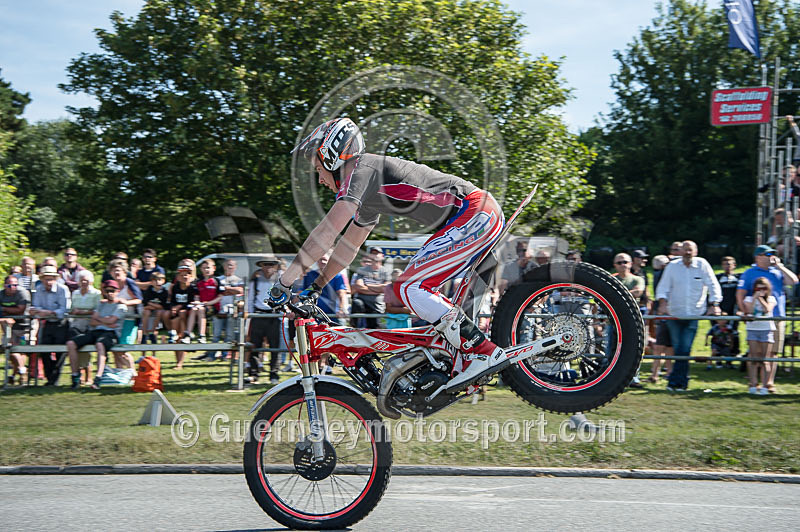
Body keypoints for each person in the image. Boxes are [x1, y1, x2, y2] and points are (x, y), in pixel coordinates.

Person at [269, 117, 506, 392]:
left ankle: (484, 351)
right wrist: (317, 286)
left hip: (473, 213)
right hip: (474, 215)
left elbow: (326, 234)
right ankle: (468, 363)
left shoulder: (360, 169)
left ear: (332, 156)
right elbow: (349, 246)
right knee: (434, 314)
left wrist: (283, 284)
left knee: (408, 287)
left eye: (318, 170)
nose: (320, 180)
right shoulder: (368, 189)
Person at [655, 240, 722, 391]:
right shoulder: (672, 267)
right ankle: (679, 383)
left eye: (690, 250)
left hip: (693, 314)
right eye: (685, 249)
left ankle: (675, 382)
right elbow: (663, 287)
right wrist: (663, 303)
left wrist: (714, 304)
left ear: (696, 252)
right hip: (674, 314)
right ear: (680, 252)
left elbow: (713, 285)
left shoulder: (702, 265)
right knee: (679, 348)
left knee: (684, 349)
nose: (687, 252)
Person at [736, 244, 799, 393]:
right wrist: (745, 312)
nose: (771, 257)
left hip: (777, 316)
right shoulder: (749, 273)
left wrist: (780, 267)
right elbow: (740, 294)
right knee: (756, 354)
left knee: (773, 352)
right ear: (758, 257)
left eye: (772, 254)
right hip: (757, 319)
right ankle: (754, 383)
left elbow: (794, 281)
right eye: (767, 254)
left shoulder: (777, 272)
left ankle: (768, 383)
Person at [66, 280, 129, 390]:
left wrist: (101, 320)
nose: (110, 293)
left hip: (111, 334)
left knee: (100, 344)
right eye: (107, 291)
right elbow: (93, 322)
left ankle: (98, 378)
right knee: (71, 343)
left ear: (117, 291)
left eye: (112, 291)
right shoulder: (101, 304)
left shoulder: (121, 306)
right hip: (96, 331)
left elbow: (111, 320)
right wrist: (106, 321)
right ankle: (75, 375)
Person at [29, 265, 71, 386]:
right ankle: (50, 378)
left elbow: (65, 309)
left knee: (60, 352)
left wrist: (49, 312)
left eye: (51, 278)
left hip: (61, 324)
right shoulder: (38, 290)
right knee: (44, 350)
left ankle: (54, 379)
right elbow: (35, 306)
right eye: (46, 279)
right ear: (41, 279)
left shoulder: (63, 289)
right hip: (46, 323)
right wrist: (42, 312)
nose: (49, 282)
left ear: (55, 279)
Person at [611, 253, 645, 388]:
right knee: (612, 351)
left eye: (625, 262)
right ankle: (613, 379)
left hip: (631, 321)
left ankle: (633, 377)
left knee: (633, 349)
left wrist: (616, 294)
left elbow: (638, 292)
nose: (622, 265)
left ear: (630, 264)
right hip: (613, 320)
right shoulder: (611, 278)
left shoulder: (637, 279)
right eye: (619, 262)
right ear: (614, 265)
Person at [248, 256, 283, 385]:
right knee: (255, 345)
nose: (268, 267)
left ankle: (274, 373)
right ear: (261, 266)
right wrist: (251, 315)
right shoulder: (255, 280)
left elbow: (286, 297)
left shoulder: (281, 280)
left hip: (274, 315)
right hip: (259, 314)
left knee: (275, 345)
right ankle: (253, 373)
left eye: (271, 264)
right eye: (265, 264)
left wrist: (281, 314)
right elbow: (251, 298)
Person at [740, 277, 777, 395]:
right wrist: (755, 298)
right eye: (758, 288)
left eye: (764, 288)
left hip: (766, 330)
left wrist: (761, 299)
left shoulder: (771, 299)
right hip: (752, 329)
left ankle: (765, 386)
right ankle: (753, 384)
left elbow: (767, 310)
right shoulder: (749, 298)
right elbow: (749, 311)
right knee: (753, 358)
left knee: (765, 360)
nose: (761, 290)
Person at [205, 258, 244, 361]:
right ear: (224, 266)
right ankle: (211, 355)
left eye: (231, 265)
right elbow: (215, 292)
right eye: (227, 265)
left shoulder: (239, 280)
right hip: (218, 310)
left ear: (235, 267)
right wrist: (232, 290)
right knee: (216, 335)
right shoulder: (217, 279)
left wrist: (225, 289)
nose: (229, 267)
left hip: (232, 310)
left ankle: (225, 355)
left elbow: (240, 291)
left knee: (229, 335)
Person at [68, 270, 101, 384]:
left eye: (86, 280)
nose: (84, 282)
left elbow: (97, 310)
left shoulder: (97, 293)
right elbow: (71, 309)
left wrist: (81, 312)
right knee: (76, 346)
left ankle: (88, 375)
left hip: (90, 324)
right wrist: (75, 312)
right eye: (82, 280)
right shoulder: (75, 293)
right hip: (76, 324)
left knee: (85, 348)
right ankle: (77, 374)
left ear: (91, 281)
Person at [108, 259, 142, 369]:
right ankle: (120, 373)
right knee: (115, 349)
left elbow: (139, 300)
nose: (116, 273)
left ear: (124, 271)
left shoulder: (129, 283)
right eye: (114, 271)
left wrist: (126, 302)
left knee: (123, 349)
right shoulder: (111, 285)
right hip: (115, 320)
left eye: (118, 270)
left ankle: (133, 374)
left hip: (130, 320)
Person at [350, 246, 391, 329]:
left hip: (376, 306)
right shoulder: (362, 270)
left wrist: (367, 286)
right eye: (372, 253)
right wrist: (378, 289)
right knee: (357, 304)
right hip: (362, 303)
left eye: (377, 253)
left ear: (382, 256)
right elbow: (358, 287)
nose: (374, 255)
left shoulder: (386, 271)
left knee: (373, 329)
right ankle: (353, 327)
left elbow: (385, 288)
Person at [0, 275, 31, 384]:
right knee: (9, 348)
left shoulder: (22, 293)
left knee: (20, 351)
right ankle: (22, 373)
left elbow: (20, 310)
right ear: (5, 285)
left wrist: (4, 309)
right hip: (8, 327)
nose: (13, 287)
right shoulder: (1, 294)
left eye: (15, 285)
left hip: (24, 327)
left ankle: (17, 375)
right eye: (10, 285)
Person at [168, 262, 198, 368]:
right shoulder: (175, 287)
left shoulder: (192, 288)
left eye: (187, 274)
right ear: (178, 277)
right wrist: (173, 308)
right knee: (176, 338)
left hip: (186, 315)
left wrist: (179, 307)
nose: (184, 277)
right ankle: (178, 362)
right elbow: (171, 301)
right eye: (182, 275)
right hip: (176, 316)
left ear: (191, 276)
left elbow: (192, 302)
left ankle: (186, 335)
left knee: (181, 336)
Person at [648, 254, 672, 383]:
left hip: (667, 312)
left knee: (666, 346)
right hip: (664, 313)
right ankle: (659, 374)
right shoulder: (662, 274)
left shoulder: (661, 274)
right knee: (662, 345)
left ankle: (662, 373)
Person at [141, 272, 170, 344]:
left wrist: (152, 305)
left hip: (158, 311)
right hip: (149, 309)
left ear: (163, 281)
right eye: (155, 280)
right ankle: (144, 334)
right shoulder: (149, 290)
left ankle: (152, 332)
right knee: (146, 312)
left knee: (160, 312)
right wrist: (154, 306)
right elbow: (145, 303)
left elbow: (163, 306)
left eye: (160, 280)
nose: (157, 282)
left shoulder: (164, 292)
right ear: (151, 282)